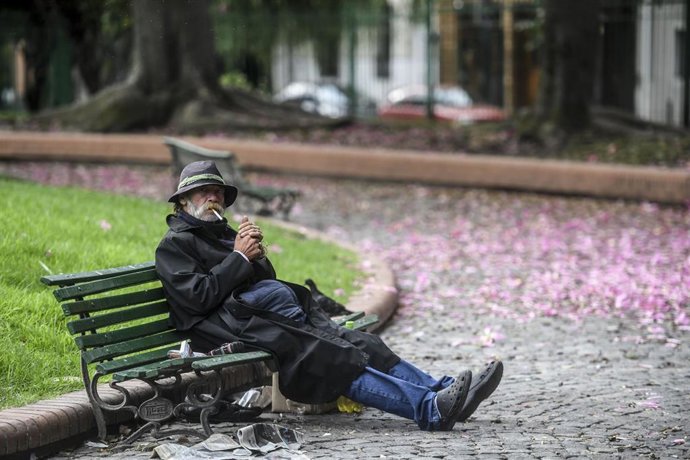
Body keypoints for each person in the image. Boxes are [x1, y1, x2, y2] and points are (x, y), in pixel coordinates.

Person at [155, 160, 503, 431]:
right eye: (203, 192)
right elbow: (198, 298)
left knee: (360, 343)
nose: (212, 197)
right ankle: (429, 409)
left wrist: (255, 255)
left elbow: (259, 280)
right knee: (331, 357)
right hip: (225, 328)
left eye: (217, 191)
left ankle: (442, 390)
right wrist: (240, 257)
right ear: (184, 201)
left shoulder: (222, 232)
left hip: (260, 318)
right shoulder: (176, 244)